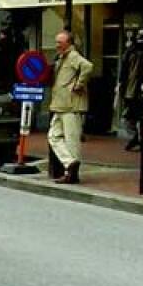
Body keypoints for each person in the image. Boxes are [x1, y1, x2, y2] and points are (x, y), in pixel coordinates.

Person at [46, 30, 93, 184]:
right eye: (56, 42)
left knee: (72, 140)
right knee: (53, 136)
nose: (57, 45)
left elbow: (87, 66)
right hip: (60, 105)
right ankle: (70, 163)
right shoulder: (62, 57)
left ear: (69, 43)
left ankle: (72, 173)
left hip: (71, 106)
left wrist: (79, 84)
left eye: (60, 42)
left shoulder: (73, 56)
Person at [121, 32, 143, 150]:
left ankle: (134, 137)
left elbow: (124, 72)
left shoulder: (131, 52)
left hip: (131, 90)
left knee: (127, 117)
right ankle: (142, 139)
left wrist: (122, 87)